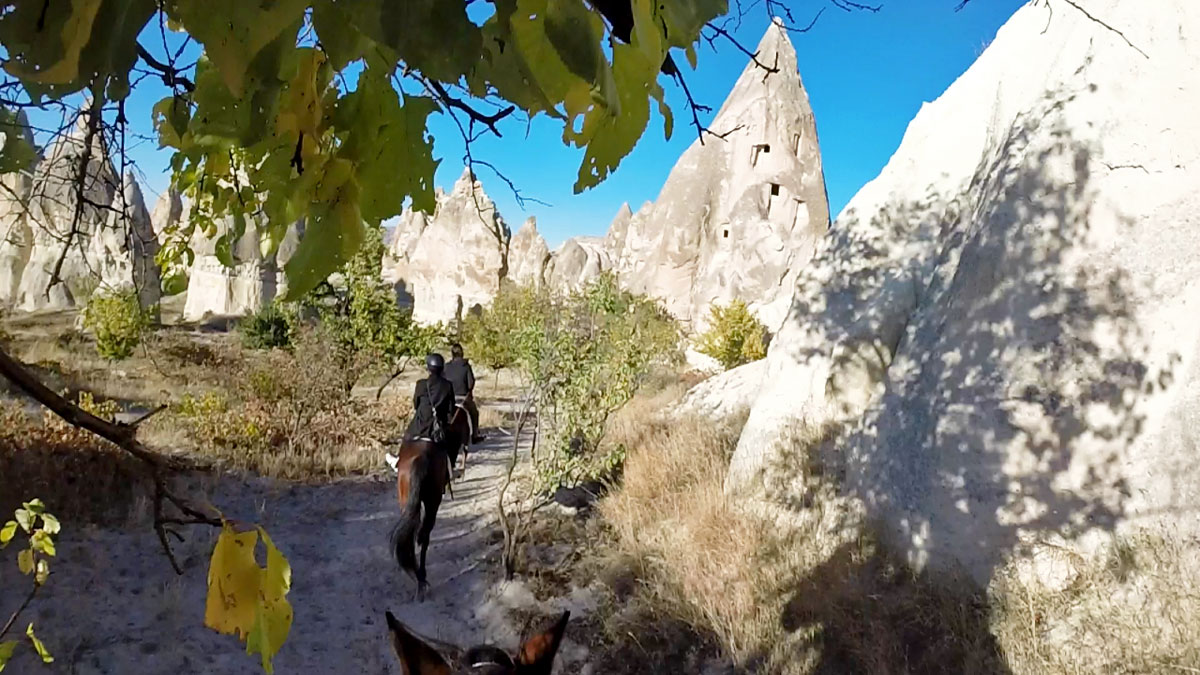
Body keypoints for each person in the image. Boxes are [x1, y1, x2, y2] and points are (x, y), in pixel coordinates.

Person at [386, 353, 455, 472]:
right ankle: (450, 468)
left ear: (428, 368)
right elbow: (450, 409)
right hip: (437, 430)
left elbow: (416, 404)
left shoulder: (421, 384)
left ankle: (398, 460)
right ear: (442, 368)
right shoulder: (447, 386)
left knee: (407, 437)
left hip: (420, 425)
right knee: (449, 445)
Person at [443, 342, 485, 444]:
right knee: (474, 413)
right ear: (462, 353)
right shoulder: (466, 366)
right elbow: (471, 384)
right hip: (463, 399)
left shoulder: (446, 367)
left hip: (449, 398)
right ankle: (474, 436)